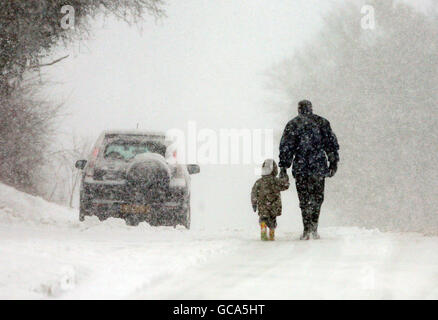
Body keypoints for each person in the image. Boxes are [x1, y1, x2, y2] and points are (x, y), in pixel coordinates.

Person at [279, 100, 339, 240]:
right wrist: (333, 162)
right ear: (311, 108)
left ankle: (306, 228)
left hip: (301, 168)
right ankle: (314, 227)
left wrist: (283, 167)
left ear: (299, 109)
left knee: (304, 199)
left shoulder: (293, 124)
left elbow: (286, 147)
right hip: (318, 166)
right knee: (317, 198)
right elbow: (331, 144)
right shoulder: (321, 122)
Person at [251, 159, 290, 241]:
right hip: (274, 206)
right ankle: (271, 233)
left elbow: (254, 193)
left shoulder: (259, 182)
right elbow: (285, 185)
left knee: (263, 218)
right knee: (272, 220)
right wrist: (285, 176)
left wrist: (254, 203)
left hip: (262, 206)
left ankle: (263, 228)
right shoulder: (276, 181)